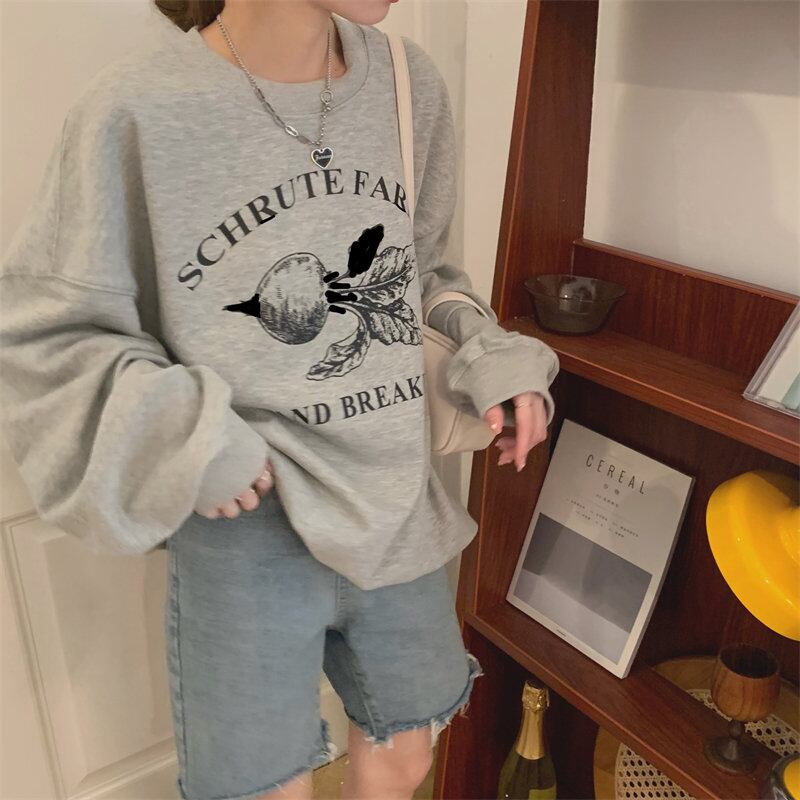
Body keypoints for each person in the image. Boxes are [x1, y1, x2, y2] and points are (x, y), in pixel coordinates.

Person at [0, 0, 559, 797]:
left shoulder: (408, 83)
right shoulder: (135, 110)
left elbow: (424, 273)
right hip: (247, 527)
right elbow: (50, 335)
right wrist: (189, 438)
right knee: (266, 788)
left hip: (395, 502)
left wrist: (490, 354)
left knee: (406, 755)